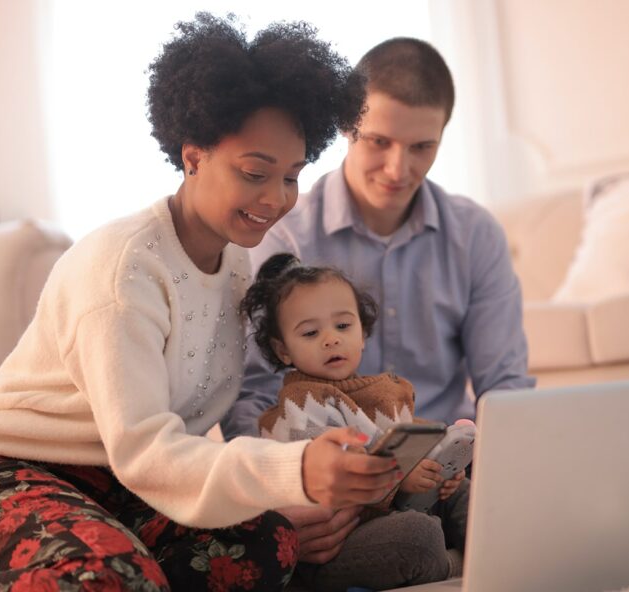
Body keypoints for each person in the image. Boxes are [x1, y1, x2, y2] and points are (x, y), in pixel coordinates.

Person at [0, 13, 394, 592]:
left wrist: (286, 489)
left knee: (267, 543)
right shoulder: (125, 268)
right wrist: (294, 472)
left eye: (291, 177)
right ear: (194, 154)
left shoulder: (233, 265)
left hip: (117, 489)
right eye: (256, 172)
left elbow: (172, 451)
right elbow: (148, 453)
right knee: (104, 579)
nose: (277, 199)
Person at [222, 37, 535, 569]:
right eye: (379, 141)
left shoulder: (475, 235)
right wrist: (287, 493)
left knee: (542, 517)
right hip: (335, 482)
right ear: (347, 128)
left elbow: (504, 389)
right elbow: (251, 395)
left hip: (450, 470)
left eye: (421, 148)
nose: (398, 168)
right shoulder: (283, 235)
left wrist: (509, 473)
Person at [241, 253, 469, 591]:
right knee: (417, 538)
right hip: (339, 543)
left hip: (399, 509)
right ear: (283, 350)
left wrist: (445, 469)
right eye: (310, 333)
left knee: (471, 495)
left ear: (362, 333)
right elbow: (337, 473)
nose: (331, 338)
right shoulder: (301, 404)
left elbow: (415, 436)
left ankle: (501, 549)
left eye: (343, 326)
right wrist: (400, 478)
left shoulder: (384, 390)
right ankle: (455, 563)